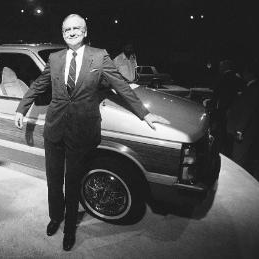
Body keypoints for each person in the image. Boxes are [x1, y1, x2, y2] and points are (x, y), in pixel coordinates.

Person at [14, 14, 169, 251]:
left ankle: (70, 229)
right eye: (67, 30)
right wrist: (22, 108)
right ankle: (55, 217)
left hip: (82, 131)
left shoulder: (99, 56)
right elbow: (38, 85)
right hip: (54, 129)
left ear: (85, 32)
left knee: (73, 180)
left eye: (77, 28)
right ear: (62, 33)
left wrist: (144, 114)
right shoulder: (55, 58)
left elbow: (121, 85)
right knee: (54, 180)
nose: (72, 32)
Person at [226, 63, 259, 171]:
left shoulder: (253, 88)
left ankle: (238, 182)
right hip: (248, 129)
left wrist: (240, 130)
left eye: (245, 72)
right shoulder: (252, 87)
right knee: (243, 157)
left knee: (238, 158)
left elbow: (248, 110)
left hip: (245, 131)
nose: (243, 75)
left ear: (251, 74)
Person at [208, 59, 245, 156]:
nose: (219, 68)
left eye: (221, 66)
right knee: (227, 132)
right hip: (232, 109)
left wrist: (211, 105)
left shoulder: (223, 77)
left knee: (218, 130)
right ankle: (227, 150)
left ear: (225, 67)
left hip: (221, 108)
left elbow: (216, 94)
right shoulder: (237, 78)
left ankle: (217, 150)